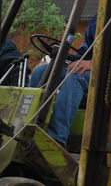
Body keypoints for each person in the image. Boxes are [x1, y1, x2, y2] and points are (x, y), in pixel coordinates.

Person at [28, 15, 96, 146]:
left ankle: (56, 138)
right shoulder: (98, 19)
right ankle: (28, 125)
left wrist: (93, 63)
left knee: (75, 75)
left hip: (107, 74)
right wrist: (68, 60)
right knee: (40, 71)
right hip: (85, 66)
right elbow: (83, 51)